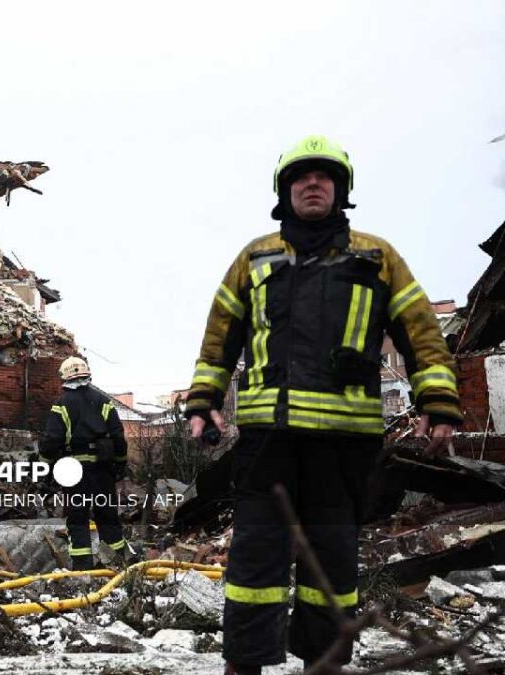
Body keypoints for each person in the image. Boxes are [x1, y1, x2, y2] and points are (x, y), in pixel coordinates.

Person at [183, 136, 461, 673]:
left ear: (342, 190)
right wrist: (203, 401)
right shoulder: (254, 258)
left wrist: (438, 402)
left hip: (345, 447)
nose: (313, 184)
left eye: (324, 176)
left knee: (330, 568)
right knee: (253, 569)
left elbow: (423, 334)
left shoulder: (378, 258)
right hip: (269, 444)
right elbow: (220, 336)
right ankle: (245, 665)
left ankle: (324, 664)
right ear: (284, 191)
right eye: (301, 177)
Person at [40, 356, 136, 570]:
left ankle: (82, 569)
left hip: (74, 473)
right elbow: (118, 436)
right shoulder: (104, 402)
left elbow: (51, 441)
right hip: (103, 470)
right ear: (87, 374)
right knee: (108, 517)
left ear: (64, 377)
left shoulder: (61, 405)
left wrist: (44, 469)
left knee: (77, 519)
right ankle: (117, 566)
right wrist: (120, 464)